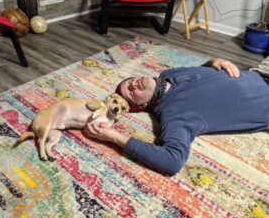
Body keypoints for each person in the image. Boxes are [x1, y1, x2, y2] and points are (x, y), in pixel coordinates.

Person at [85, 58, 269, 174]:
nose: (133, 84)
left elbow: (201, 74)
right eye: (131, 92)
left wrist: (213, 62)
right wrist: (115, 137)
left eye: (130, 82)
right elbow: (172, 161)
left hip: (260, 71)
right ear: (142, 105)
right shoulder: (174, 115)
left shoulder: (167, 74)